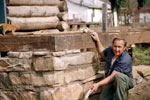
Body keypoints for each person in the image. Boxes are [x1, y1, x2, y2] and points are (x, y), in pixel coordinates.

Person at [89, 31, 135, 100]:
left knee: (118, 77)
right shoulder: (111, 50)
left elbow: (112, 76)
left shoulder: (125, 58)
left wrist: (98, 84)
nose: (116, 49)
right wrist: (97, 40)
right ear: (112, 45)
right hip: (112, 80)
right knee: (103, 98)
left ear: (124, 47)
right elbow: (102, 53)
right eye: (115, 46)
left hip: (126, 81)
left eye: (119, 47)